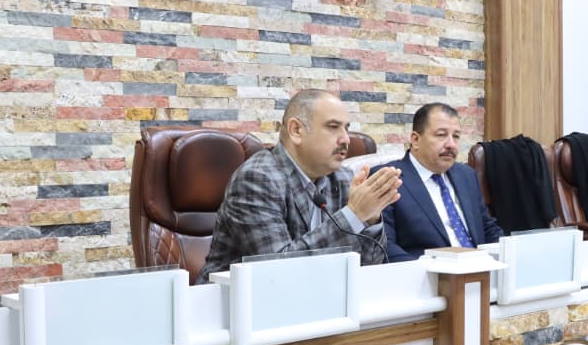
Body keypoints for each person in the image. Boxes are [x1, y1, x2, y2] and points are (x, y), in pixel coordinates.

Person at [200, 89, 401, 280]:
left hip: (319, 296)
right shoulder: (257, 179)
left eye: (346, 128)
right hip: (231, 300)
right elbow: (277, 271)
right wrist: (353, 215)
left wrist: (370, 218)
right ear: (296, 130)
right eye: (333, 127)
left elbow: (370, 265)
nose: (346, 139)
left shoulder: (343, 178)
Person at [379, 103, 502, 261]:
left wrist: (509, 255)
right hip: (426, 272)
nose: (451, 144)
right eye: (441, 135)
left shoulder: (466, 175)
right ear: (415, 140)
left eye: (456, 136)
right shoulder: (388, 179)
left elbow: (488, 229)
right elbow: (384, 246)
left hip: (480, 268)